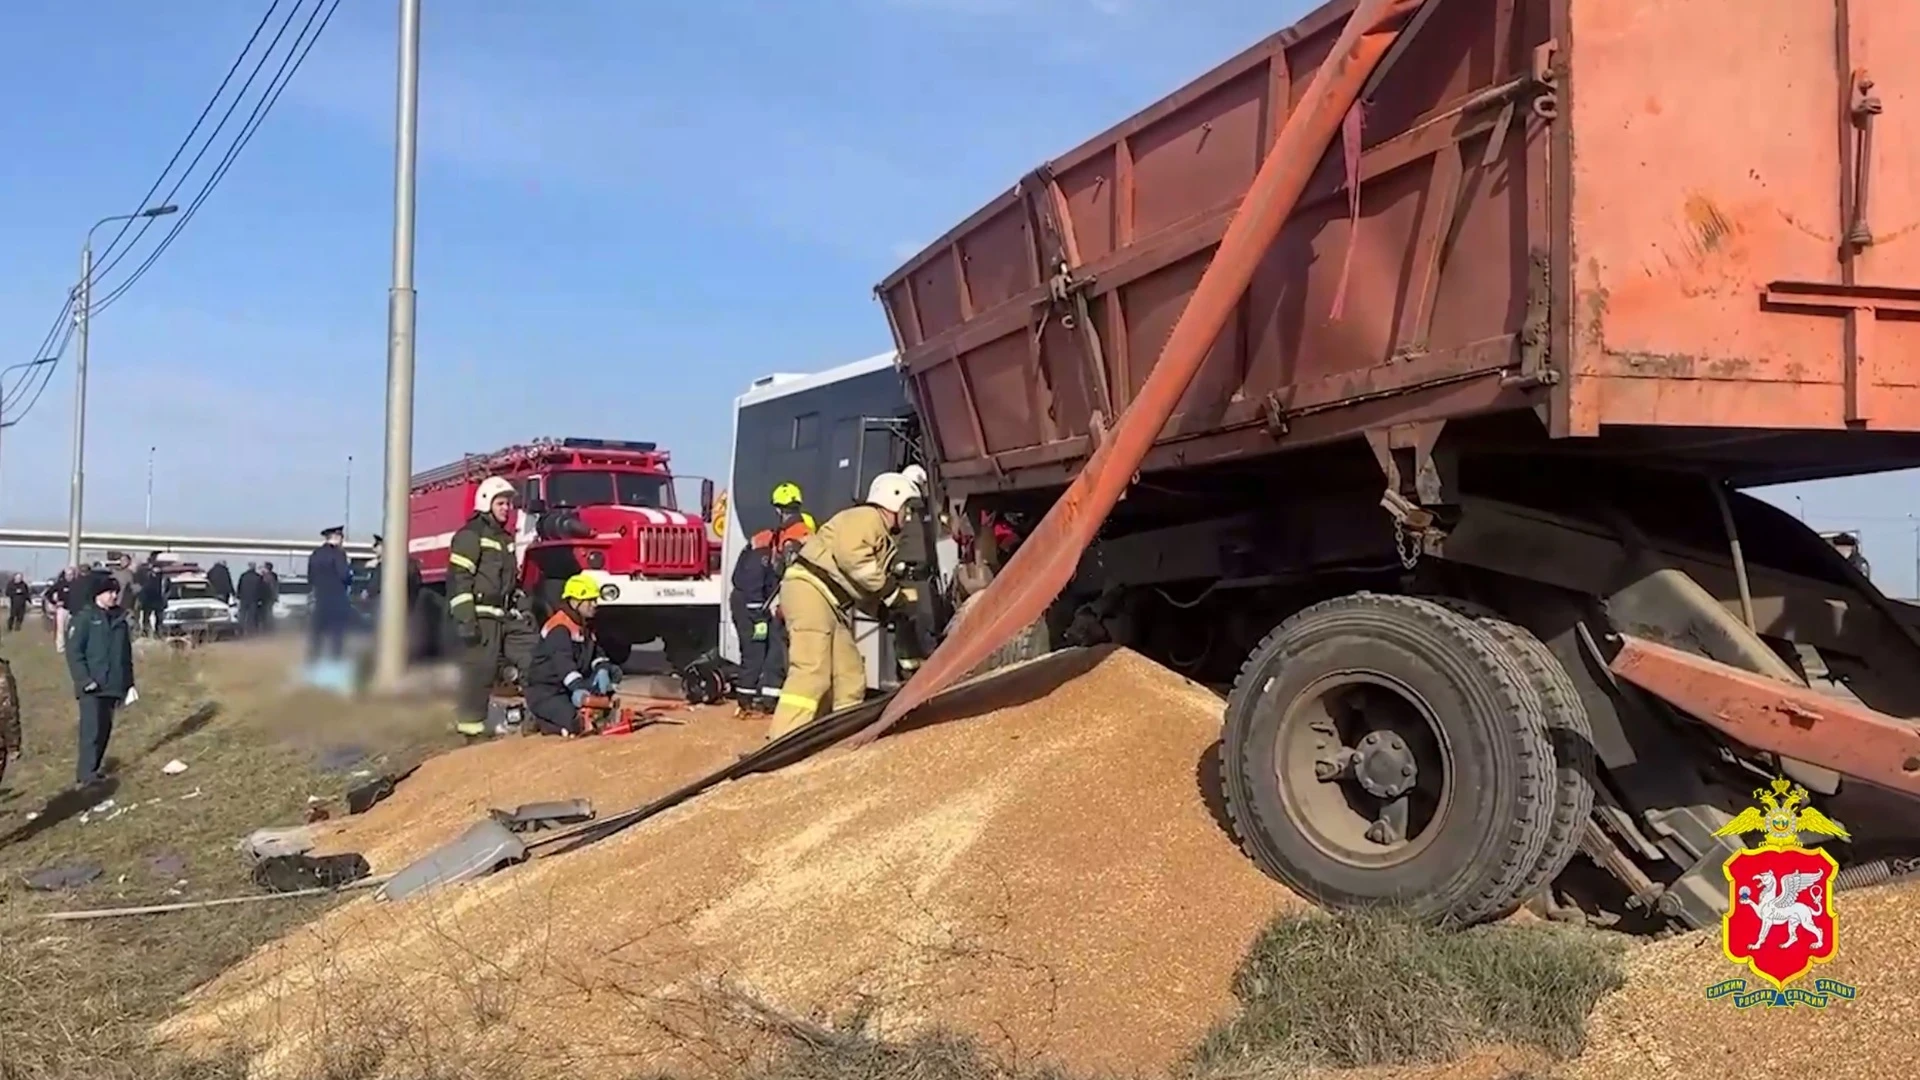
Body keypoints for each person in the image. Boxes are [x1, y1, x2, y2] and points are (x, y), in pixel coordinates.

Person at [766, 471, 920, 740]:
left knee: (849, 675)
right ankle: (784, 738)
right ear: (892, 502)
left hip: (829, 601)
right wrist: (891, 593)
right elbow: (854, 559)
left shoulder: (879, 533)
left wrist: (883, 611)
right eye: (906, 507)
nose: (908, 516)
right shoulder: (866, 519)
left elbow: (857, 582)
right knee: (812, 668)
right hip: (810, 591)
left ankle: (839, 732)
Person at [449, 476, 537, 738]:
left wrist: (525, 609)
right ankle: (470, 731)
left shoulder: (505, 538)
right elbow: (458, 581)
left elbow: (512, 582)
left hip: (506, 615)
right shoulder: (469, 536)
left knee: (534, 656)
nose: (506, 508)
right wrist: (466, 621)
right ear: (486, 502)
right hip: (481, 615)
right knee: (480, 670)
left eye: (509, 503)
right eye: (501, 503)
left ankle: (537, 716)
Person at [729, 484, 815, 716]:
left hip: (756, 600)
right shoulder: (764, 548)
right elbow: (753, 586)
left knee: (771, 650)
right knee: (755, 651)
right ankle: (745, 702)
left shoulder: (781, 538)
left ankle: (767, 699)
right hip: (747, 602)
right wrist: (758, 617)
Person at [524, 574, 620, 736]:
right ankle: (540, 721)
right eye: (590, 600)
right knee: (578, 724)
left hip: (569, 688)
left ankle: (593, 710)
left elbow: (597, 654)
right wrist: (579, 689)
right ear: (575, 602)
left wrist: (603, 669)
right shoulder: (559, 628)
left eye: (595, 600)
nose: (595, 605)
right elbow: (564, 666)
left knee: (614, 672)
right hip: (547, 692)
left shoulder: (585, 625)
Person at [65, 575, 134, 788]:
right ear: (98, 594)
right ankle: (85, 775)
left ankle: (94, 770)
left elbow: (125, 654)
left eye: (115, 592)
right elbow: (74, 653)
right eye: (109, 592)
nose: (114, 596)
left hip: (113, 684)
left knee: (105, 729)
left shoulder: (120, 620)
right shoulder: (85, 618)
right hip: (91, 686)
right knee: (91, 730)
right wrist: (84, 679)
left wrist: (128, 683)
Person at [307, 526, 354, 661]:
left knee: (317, 633)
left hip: (320, 597)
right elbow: (344, 575)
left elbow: (310, 577)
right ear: (336, 537)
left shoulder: (315, 554)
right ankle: (334, 661)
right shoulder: (339, 554)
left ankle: (313, 661)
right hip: (336, 596)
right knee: (336, 633)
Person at [138, 561, 165, 637]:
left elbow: (164, 590)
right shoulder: (147, 578)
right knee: (146, 619)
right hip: (148, 602)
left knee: (158, 620)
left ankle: (157, 634)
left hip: (157, 602)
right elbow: (144, 589)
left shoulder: (162, 579)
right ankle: (146, 633)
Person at [236, 562, 263, 636]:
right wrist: (260, 599)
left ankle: (240, 630)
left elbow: (239, 586)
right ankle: (251, 631)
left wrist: (238, 596)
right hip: (254, 599)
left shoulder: (243, 576)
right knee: (252, 616)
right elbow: (261, 589)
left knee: (242, 615)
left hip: (244, 598)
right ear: (254, 567)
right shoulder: (258, 577)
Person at [258, 562, 280, 633]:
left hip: (267, 598)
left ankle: (267, 628)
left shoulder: (267, 577)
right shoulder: (273, 576)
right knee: (268, 612)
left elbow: (268, 587)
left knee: (266, 613)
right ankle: (269, 627)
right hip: (270, 597)